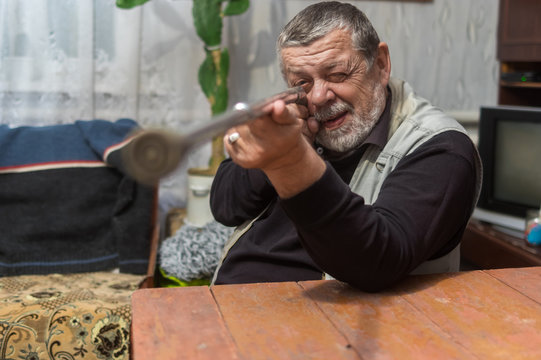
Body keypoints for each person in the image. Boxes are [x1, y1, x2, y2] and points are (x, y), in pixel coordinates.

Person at [209, 1, 482, 292]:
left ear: (380, 64)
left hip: (341, 326)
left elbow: (378, 260)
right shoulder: (299, 119)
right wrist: (269, 152)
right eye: (302, 82)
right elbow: (225, 207)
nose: (318, 96)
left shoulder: (442, 147)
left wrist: (290, 161)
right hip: (227, 299)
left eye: (337, 74)